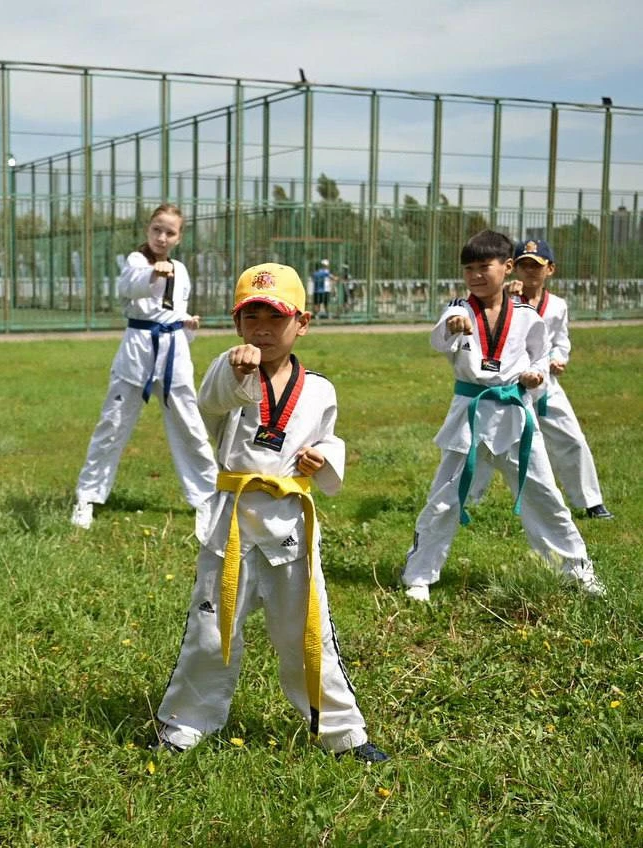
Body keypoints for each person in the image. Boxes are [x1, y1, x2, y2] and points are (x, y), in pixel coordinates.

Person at [153, 262, 388, 763]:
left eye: (275, 317)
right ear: (237, 324)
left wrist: (324, 458)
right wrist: (236, 368)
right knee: (211, 630)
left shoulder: (320, 388)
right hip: (232, 526)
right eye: (250, 316)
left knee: (308, 631)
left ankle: (342, 732)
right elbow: (210, 405)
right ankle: (184, 724)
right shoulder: (228, 369)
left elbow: (328, 436)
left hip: (289, 526)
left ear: (302, 322)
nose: (262, 328)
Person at [401, 230, 605, 602]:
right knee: (445, 498)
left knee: (545, 495)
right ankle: (419, 574)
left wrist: (536, 375)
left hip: (516, 416)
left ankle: (576, 570)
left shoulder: (526, 316)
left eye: (484, 267)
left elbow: (540, 354)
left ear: (507, 267)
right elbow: (438, 339)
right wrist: (453, 327)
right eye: (469, 269)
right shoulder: (458, 308)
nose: (476, 275)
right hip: (470, 417)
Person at [70, 204, 217, 536]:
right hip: (137, 350)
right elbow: (128, 286)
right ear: (147, 230)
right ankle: (87, 497)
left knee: (190, 424)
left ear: (179, 237)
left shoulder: (180, 269)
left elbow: (174, 311)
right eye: (157, 230)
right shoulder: (135, 262)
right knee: (112, 423)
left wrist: (187, 322)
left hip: (173, 352)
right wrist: (153, 274)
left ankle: (208, 496)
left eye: (170, 232)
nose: (162, 237)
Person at [502, 240, 611, 519]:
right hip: (508, 384)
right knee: (486, 442)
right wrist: (502, 294)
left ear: (550, 269)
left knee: (572, 439)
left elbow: (561, 341)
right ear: (513, 268)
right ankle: (464, 499)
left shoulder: (558, 306)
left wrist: (559, 359)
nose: (529, 272)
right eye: (523, 265)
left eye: (536, 266)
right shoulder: (504, 299)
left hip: (545, 385)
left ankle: (591, 501)